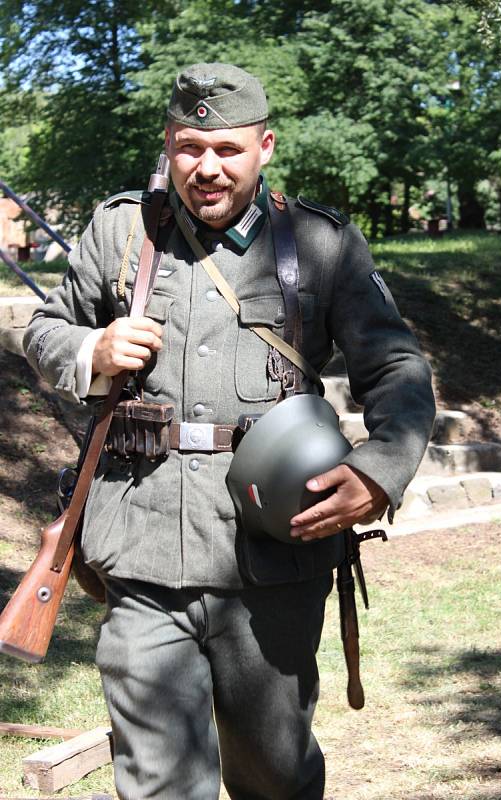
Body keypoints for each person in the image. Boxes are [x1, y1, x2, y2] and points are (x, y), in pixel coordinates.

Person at [24, 63, 435, 800]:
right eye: (189, 148)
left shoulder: (322, 243)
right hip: (140, 555)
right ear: (169, 146)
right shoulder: (121, 231)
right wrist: (90, 352)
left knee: (273, 776)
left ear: (264, 146)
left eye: (227, 150)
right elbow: (45, 328)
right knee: (156, 783)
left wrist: (379, 471)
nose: (206, 169)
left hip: (273, 558)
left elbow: (396, 366)